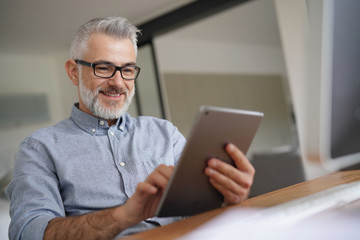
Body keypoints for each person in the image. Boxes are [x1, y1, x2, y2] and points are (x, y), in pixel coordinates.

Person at [5, 16, 255, 240]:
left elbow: (201, 209)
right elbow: (29, 231)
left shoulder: (165, 133)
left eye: (127, 70)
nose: (117, 82)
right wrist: (123, 216)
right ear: (73, 72)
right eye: (103, 67)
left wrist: (230, 199)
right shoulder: (39, 148)